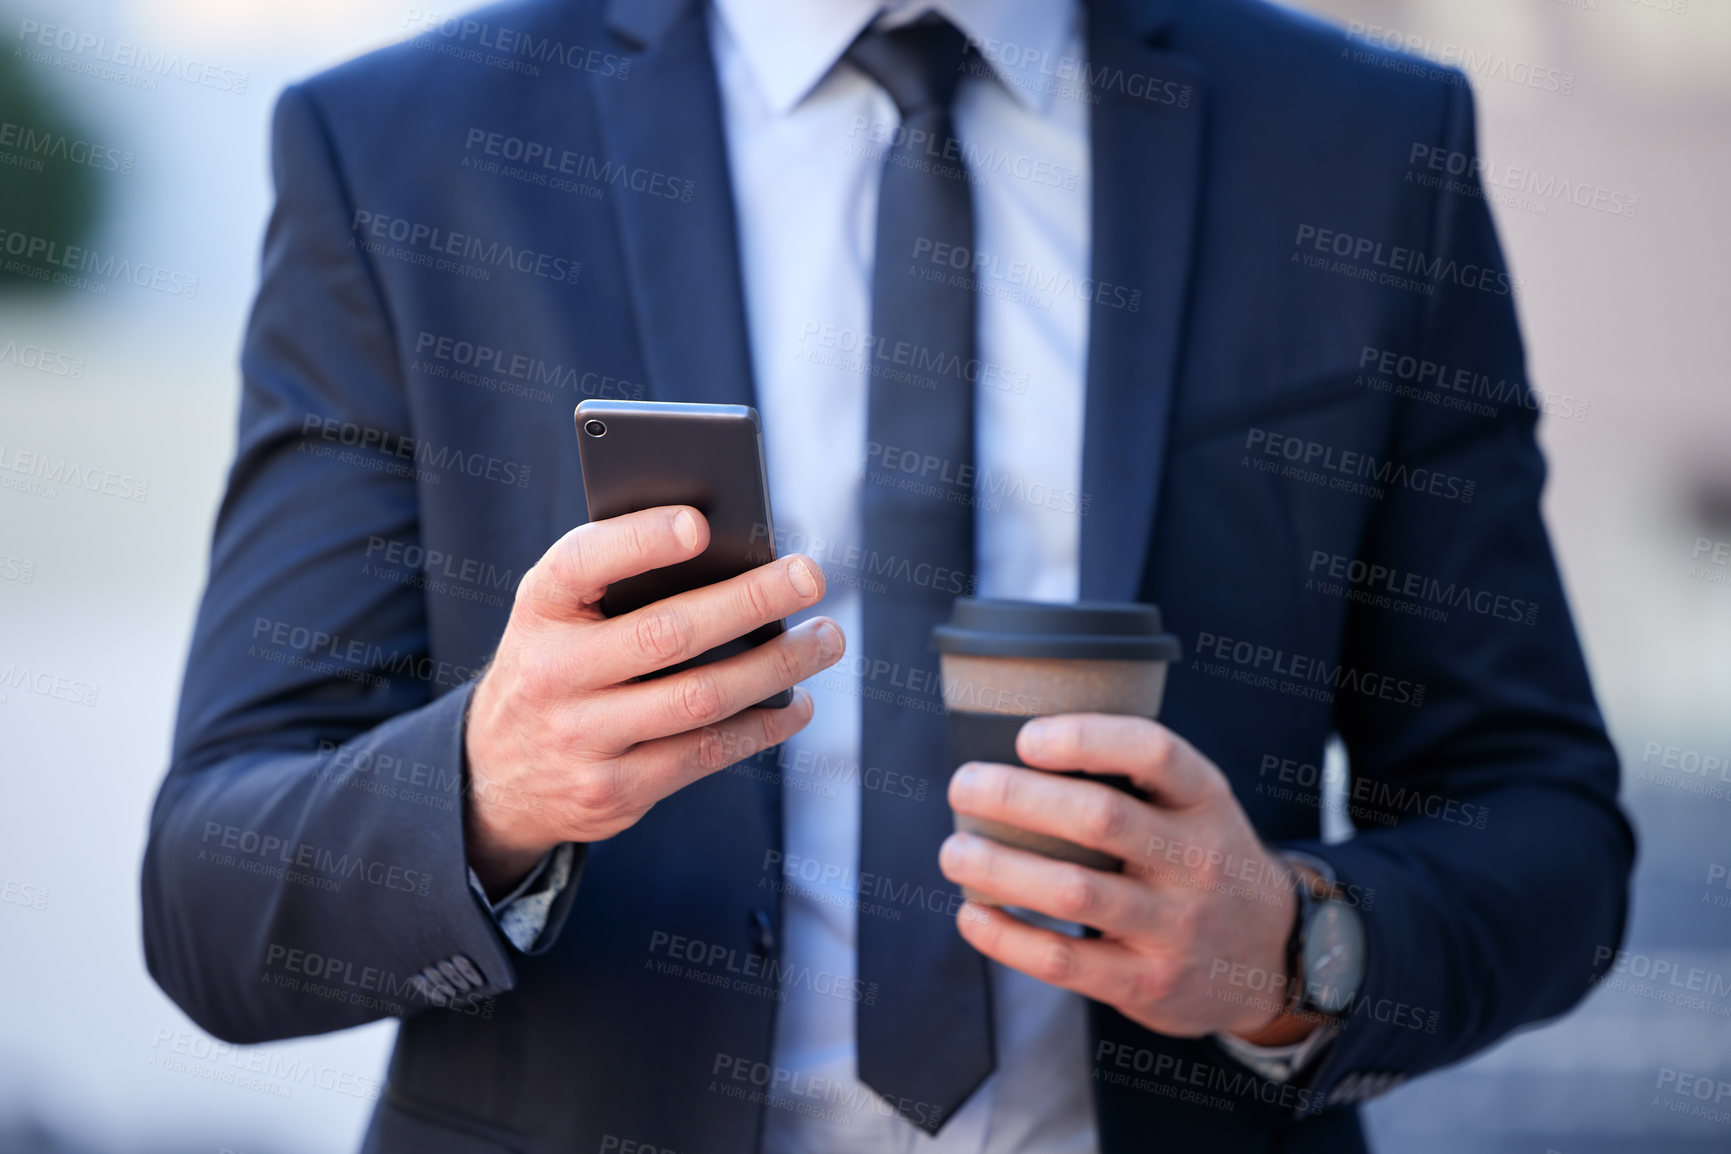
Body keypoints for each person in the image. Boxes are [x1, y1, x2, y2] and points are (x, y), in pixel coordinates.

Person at [141, 0, 1634, 1151]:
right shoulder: (405, 149)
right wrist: (489, 785)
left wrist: (1291, 946)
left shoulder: (1365, 145)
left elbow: (1545, 821)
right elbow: (208, 891)